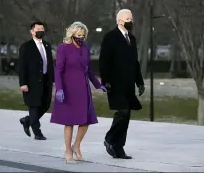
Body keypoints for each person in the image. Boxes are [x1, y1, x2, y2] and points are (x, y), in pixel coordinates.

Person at [50, 22, 106, 163]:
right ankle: (68, 151)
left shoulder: (85, 49)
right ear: (72, 34)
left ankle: (77, 145)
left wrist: (98, 85)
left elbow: (89, 70)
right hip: (68, 88)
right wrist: (59, 88)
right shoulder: (63, 48)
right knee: (69, 122)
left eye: (83, 35)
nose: (80, 37)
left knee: (85, 121)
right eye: (78, 35)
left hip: (83, 89)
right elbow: (58, 70)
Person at [99, 9, 145, 159]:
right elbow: (104, 61)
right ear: (119, 20)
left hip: (128, 84)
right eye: (127, 18)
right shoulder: (110, 37)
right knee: (122, 111)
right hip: (115, 83)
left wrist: (140, 82)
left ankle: (119, 148)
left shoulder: (132, 38)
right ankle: (109, 139)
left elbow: (135, 62)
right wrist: (106, 81)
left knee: (126, 115)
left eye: (131, 18)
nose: (130, 21)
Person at [18, 21, 54, 140]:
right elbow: (22, 66)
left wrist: (53, 80)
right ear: (32, 32)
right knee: (34, 106)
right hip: (31, 82)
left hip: (45, 81)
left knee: (45, 104)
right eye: (38, 29)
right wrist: (23, 83)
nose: (40, 31)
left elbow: (50, 65)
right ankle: (37, 132)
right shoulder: (26, 46)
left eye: (42, 29)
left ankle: (27, 120)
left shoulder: (47, 45)